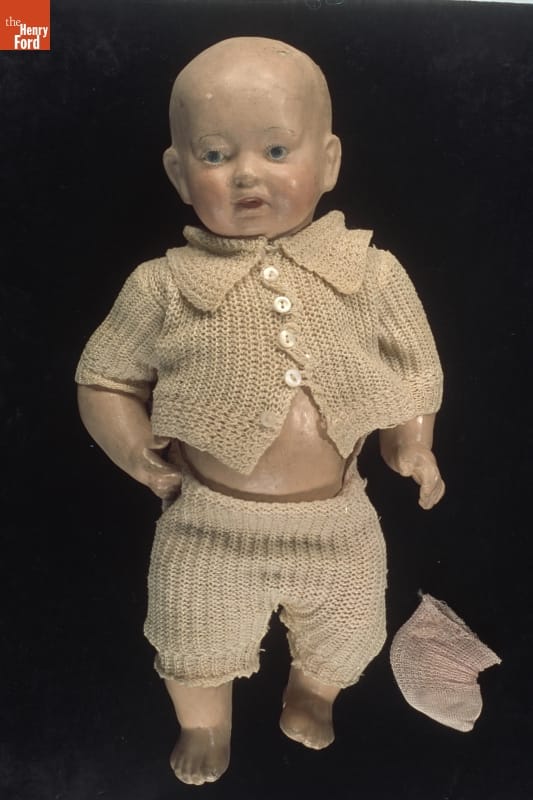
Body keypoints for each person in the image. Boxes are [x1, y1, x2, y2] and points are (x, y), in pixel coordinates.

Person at [76, 37, 445, 785]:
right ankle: (204, 721)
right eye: (215, 156)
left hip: (339, 521)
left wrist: (411, 441)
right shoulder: (162, 286)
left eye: (277, 150)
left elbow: (415, 366)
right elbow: (104, 377)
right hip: (207, 522)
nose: (247, 173)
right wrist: (134, 448)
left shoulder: (370, 272)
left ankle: (314, 690)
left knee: (351, 628)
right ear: (180, 175)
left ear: (329, 162)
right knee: (190, 632)